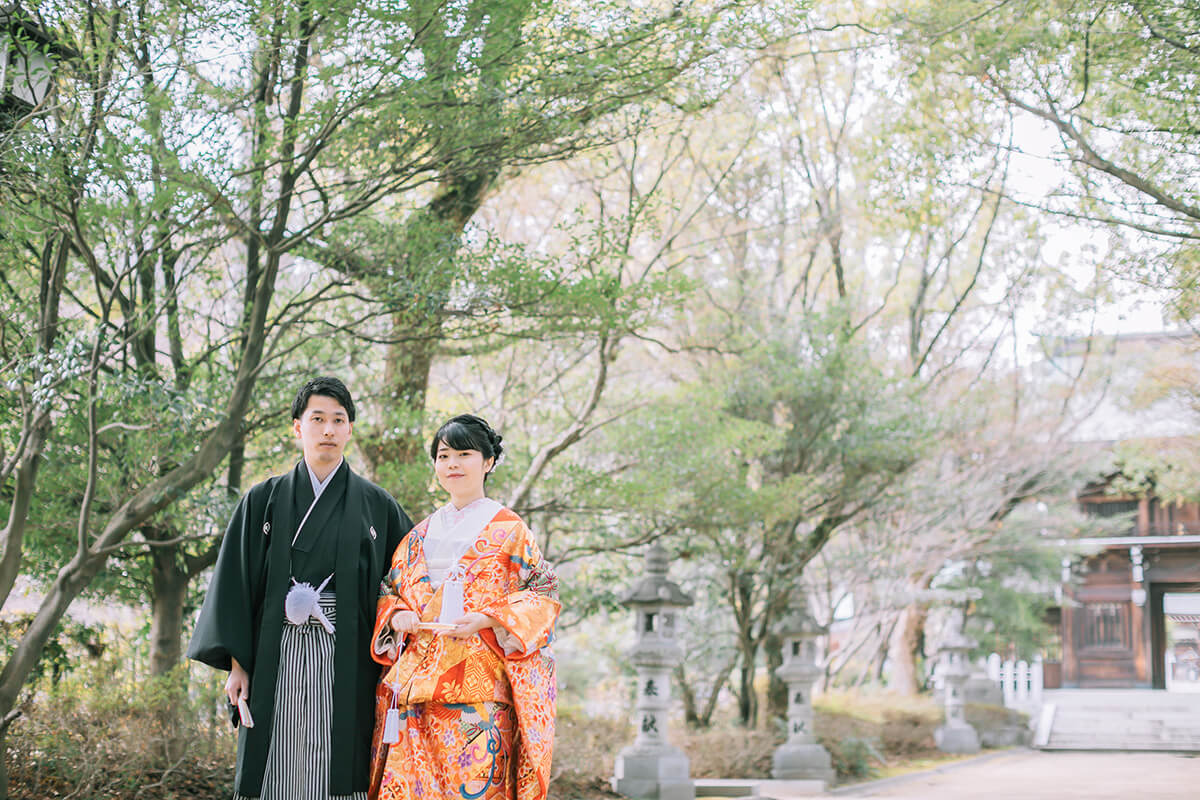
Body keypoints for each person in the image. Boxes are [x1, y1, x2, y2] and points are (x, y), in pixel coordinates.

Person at [188, 377, 413, 800]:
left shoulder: (377, 505)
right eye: (318, 419)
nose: (328, 430)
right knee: (273, 758)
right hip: (275, 652)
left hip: (346, 656)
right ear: (298, 427)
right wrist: (238, 664)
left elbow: (405, 586)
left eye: (338, 420)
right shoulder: (263, 499)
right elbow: (235, 585)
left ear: (349, 429)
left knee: (339, 761)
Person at [368, 414, 559, 800]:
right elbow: (390, 590)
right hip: (412, 692)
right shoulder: (418, 534)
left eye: (464, 454)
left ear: (488, 462)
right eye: (443, 455)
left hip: (479, 691)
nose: (452, 464)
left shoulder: (510, 529)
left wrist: (487, 617)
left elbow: (543, 594)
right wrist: (397, 615)